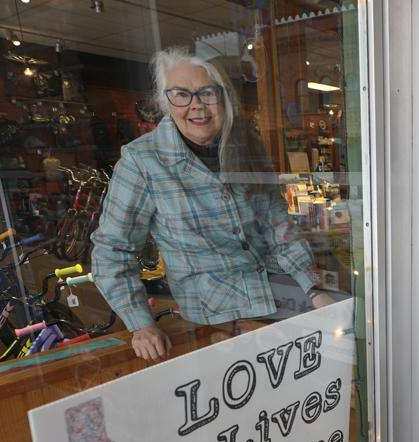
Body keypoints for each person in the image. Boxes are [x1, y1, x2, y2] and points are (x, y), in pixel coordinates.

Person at [92, 48, 332, 361]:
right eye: (181, 94)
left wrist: (313, 289)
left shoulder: (247, 144)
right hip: (213, 323)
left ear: (224, 97)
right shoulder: (143, 161)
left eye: (207, 93)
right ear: (166, 101)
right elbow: (111, 250)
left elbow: (277, 226)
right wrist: (140, 323)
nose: (196, 106)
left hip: (277, 303)